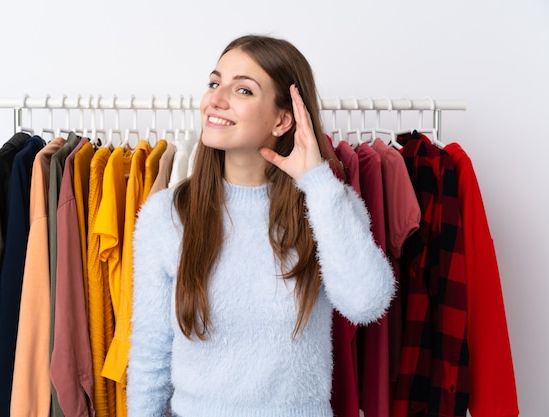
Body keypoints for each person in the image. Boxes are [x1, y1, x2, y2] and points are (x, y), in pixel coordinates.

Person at [127, 34, 395, 417]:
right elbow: (150, 356)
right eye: (215, 83)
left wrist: (316, 181)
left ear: (283, 119)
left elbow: (367, 303)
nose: (216, 100)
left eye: (243, 90)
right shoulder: (166, 216)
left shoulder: (325, 206)